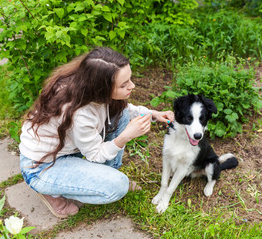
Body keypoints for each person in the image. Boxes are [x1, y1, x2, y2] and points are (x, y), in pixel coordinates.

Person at [19, 47, 174, 218]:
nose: (132, 86)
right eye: (124, 84)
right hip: (43, 165)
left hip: (69, 148)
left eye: (130, 79)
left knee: (120, 114)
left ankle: (103, 176)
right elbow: (95, 154)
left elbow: (124, 109)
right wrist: (126, 136)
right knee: (117, 187)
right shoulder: (78, 112)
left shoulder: (87, 86)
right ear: (101, 88)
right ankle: (51, 191)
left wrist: (153, 114)